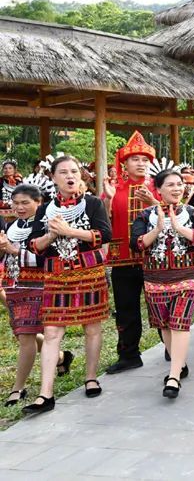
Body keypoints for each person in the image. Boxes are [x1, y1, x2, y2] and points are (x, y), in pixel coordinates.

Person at [24, 156, 112, 414]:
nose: (70, 176)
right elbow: (34, 245)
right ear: (53, 177)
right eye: (63, 172)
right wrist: (52, 233)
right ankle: (46, 393)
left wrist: (71, 231)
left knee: (92, 327)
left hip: (88, 272)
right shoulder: (45, 210)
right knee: (51, 332)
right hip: (56, 275)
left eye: (74, 171)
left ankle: (91, 376)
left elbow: (104, 235)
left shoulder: (93, 204)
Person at [131, 170, 194, 398]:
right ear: (159, 189)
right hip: (155, 279)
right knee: (164, 324)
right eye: (171, 185)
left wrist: (179, 228)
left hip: (188, 277)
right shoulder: (146, 215)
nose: (177, 189)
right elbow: (136, 244)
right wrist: (157, 229)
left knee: (180, 323)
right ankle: (180, 363)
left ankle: (173, 377)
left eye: (180, 184)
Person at [0, 179, 74, 407]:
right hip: (15, 285)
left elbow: (50, 257)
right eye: (15, 203)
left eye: (25, 203)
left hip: (41, 284)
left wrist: (15, 251)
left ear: (39, 202)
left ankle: (18, 388)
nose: (19, 208)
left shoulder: (47, 224)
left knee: (26, 336)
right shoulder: (13, 226)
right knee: (23, 333)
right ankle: (62, 358)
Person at [100, 131, 158, 374]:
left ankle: (172, 350)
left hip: (155, 258)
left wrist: (153, 201)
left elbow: (172, 215)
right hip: (122, 259)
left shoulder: (158, 187)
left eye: (145, 160)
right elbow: (103, 221)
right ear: (124, 163)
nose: (141, 163)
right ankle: (128, 354)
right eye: (136, 159)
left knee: (159, 305)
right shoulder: (113, 189)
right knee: (126, 308)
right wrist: (108, 200)